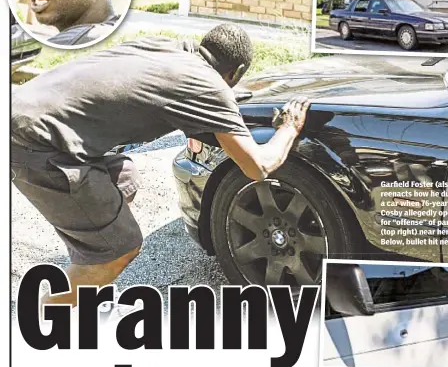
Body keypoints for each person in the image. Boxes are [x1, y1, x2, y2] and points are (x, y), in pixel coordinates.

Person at [11, 24, 310, 308]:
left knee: (124, 178)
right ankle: (46, 313)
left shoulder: (167, 49)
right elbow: (257, 167)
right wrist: (289, 128)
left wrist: (223, 101)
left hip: (21, 107)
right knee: (120, 248)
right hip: (34, 141)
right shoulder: (207, 87)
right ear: (237, 72)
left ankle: (88, 264)